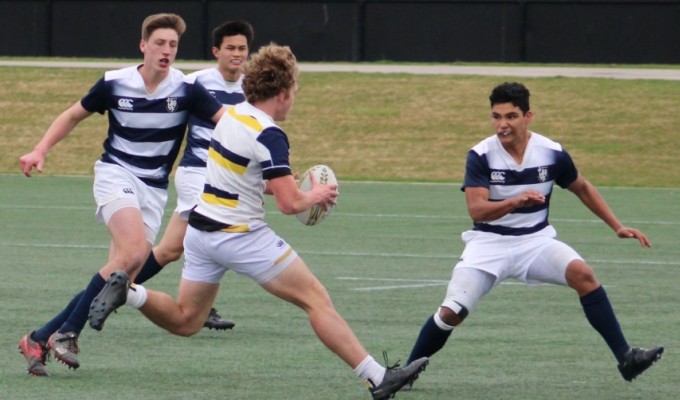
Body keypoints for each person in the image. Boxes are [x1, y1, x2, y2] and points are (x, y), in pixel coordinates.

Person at [87, 43, 429, 400]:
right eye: (294, 92)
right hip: (240, 236)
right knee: (316, 299)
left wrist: (288, 184)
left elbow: (247, 176)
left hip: (201, 233)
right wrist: (316, 196)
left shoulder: (233, 115)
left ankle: (130, 292)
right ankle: (378, 377)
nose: (294, 100)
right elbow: (288, 204)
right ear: (281, 94)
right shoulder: (270, 134)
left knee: (187, 319)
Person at [403, 82, 663, 388]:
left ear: (528, 116)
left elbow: (581, 186)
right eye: (496, 117)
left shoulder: (551, 152)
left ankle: (626, 358)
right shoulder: (480, 155)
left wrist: (617, 226)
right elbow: (477, 210)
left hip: (535, 242)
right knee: (451, 312)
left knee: (584, 275)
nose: (502, 125)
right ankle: (404, 374)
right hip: (489, 245)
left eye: (511, 116)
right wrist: (515, 201)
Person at [17, 13, 226, 376]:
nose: (166, 51)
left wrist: (266, 153)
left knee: (122, 272)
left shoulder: (186, 89)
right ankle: (67, 333)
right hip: (116, 174)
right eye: (159, 43)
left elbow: (230, 122)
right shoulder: (115, 83)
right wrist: (40, 149)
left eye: (172, 45)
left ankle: (39, 336)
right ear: (143, 46)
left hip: (154, 189)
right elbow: (72, 115)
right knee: (132, 253)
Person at [135, 20, 256, 331]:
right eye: (230, 48)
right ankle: (200, 304)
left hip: (228, 180)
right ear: (217, 51)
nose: (237, 54)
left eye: (242, 48)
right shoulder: (196, 83)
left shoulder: (252, 89)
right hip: (196, 175)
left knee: (170, 249)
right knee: (215, 235)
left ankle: (117, 287)